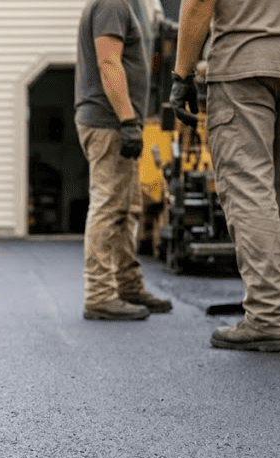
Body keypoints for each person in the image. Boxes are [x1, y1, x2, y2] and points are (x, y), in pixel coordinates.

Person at [172, 0, 280, 351]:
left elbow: (199, 3)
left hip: (244, 62)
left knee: (248, 186)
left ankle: (267, 317)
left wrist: (182, 74)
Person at [75, 0, 173, 321]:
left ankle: (127, 284)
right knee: (108, 206)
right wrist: (128, 120)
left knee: (127, 207)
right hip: (110, 122)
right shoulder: (111, 4)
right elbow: (108, 62)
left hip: (115, 122)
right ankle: (99, 294)